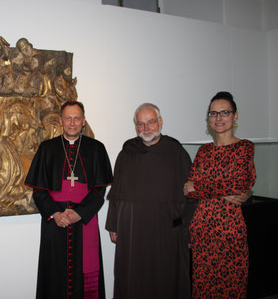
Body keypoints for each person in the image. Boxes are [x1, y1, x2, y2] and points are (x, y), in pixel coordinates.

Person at [105, 103, 195, 299]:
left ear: (160, 122)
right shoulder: (126, 153)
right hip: (131, 232)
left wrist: (184, 229)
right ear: (135, 126)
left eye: (151, 122)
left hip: (167, 230)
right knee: (134, 280)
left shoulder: (176, 152)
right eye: (140, 124)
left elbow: (191, 197)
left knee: (165, 280)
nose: (146, 128)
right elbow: (116, 191)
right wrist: (114, 224)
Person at [25, 100, 112, 299]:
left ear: (83, 121)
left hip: (84, 221)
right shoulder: (47, 149)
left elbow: (99, 191)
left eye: (77, 118)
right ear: (61, 121)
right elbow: (39, 191)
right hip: (55, 222)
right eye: (68, 118)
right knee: (53, 274)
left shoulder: (96, 148)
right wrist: (55, 213)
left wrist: (79, 214)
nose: (72, 123)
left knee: (85, 277)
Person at [184, 91, 256, 299]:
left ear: (235, 116)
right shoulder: (204, 151)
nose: (218, 118)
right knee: (203, 290)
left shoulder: (245, 147)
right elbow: (189, 190)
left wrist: (202, 188)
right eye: (213, 113)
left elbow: (240, 183)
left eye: (224, 112)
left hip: (230, 232)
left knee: (232, 288)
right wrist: (222, 192)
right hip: (201, 230)